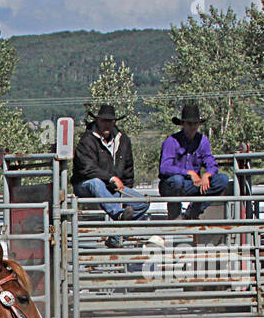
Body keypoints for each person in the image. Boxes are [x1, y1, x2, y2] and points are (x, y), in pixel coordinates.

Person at [73, 104, 149, 246]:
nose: (107, 124)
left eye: (110, 121)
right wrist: (111, 178)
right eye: (104, 121)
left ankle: (117, 236)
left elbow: (128, 168)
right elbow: (87, 169)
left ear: (114, 122)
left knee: (142, 203)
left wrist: (126, 190)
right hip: (85, 185)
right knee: (95, 182)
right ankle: (119, 215)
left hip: (112, 187)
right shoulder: (87, 140)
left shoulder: (123, 140)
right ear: (97, 121)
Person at [158, 102, 232, 219]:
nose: (193, 127)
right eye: (189, 123)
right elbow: (164, 168)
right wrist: (189, 172)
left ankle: (194, 210)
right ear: (183, 124)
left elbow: (211, 162)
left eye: (195, 123)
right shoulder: (171, 141)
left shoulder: (202, 141)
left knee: (222, 180)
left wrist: (207, 174)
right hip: (171, 185)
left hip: (193, 184)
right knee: (177, 180)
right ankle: (174, 213)